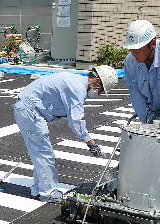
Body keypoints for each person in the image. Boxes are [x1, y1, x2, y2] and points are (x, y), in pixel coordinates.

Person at [14, 65, 118, 203]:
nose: (98, 93)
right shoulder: (77, 89)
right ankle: (48, 192)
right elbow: (75, 121)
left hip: (28, 110)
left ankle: (38, 189)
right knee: (44, 153)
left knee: (40, 153)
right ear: (97, 81)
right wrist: (91, 143)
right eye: (101, 90)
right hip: (30, 111)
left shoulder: (76, 82)